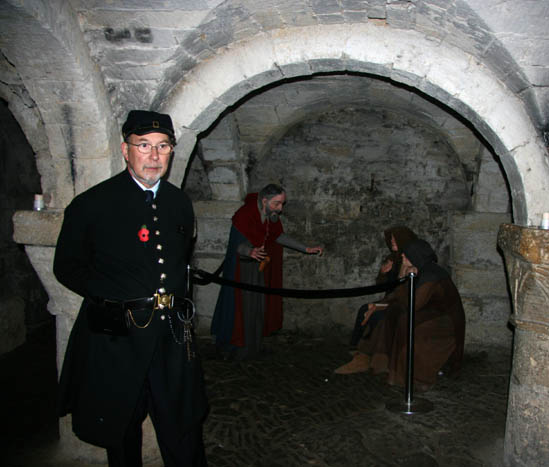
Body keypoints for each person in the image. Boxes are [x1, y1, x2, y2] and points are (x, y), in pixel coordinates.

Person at [53, 110, 208, 466]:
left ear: (171, 151)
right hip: (118, 334)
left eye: (163, 146)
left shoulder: (179, 203)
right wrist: (112, 295)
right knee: (121, 428)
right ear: (126, 150)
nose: (154, 156)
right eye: (144, 145)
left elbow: (180, 262)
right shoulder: (91, 204)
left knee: (182, 422)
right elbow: (66, 267)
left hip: (170, 334)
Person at [210, 183, 323, 361]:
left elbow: (277, 236)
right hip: (242, 270)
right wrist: (250, 251)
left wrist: (305, 248)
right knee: (243, 308)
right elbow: (236, 245)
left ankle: (253, 348)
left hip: (258, 268)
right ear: (264, 200)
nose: (280, 208)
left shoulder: (269, 215)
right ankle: (237, 349)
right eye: (277, 203)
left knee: (257, 307)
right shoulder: (244, 215)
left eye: (282, 204)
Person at [337, 238, 466, 391]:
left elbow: (412, 303)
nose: (403, 258)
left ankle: (411, 375)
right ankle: (375, 360)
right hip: (429, 313)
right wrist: (380, 304)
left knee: (405, 322)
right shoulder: (421, 269)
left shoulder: (431, 276)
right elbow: (400, 297)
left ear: (416, 256)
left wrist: (402, 276)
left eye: (406, 256)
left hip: (444, 322)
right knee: (391, 314)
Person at [336, 225, 418, 374]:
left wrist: (381, 305)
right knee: (364, 309)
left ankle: (369, 353)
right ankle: (356, 349)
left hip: (402, 303)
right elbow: (382, 286)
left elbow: (405, 292)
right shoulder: (392, 259)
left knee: (376, 315)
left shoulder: (412, 260)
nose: (392, 241)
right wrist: (383, 274)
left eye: (395, 239)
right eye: (391, 239)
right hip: (390, 300)